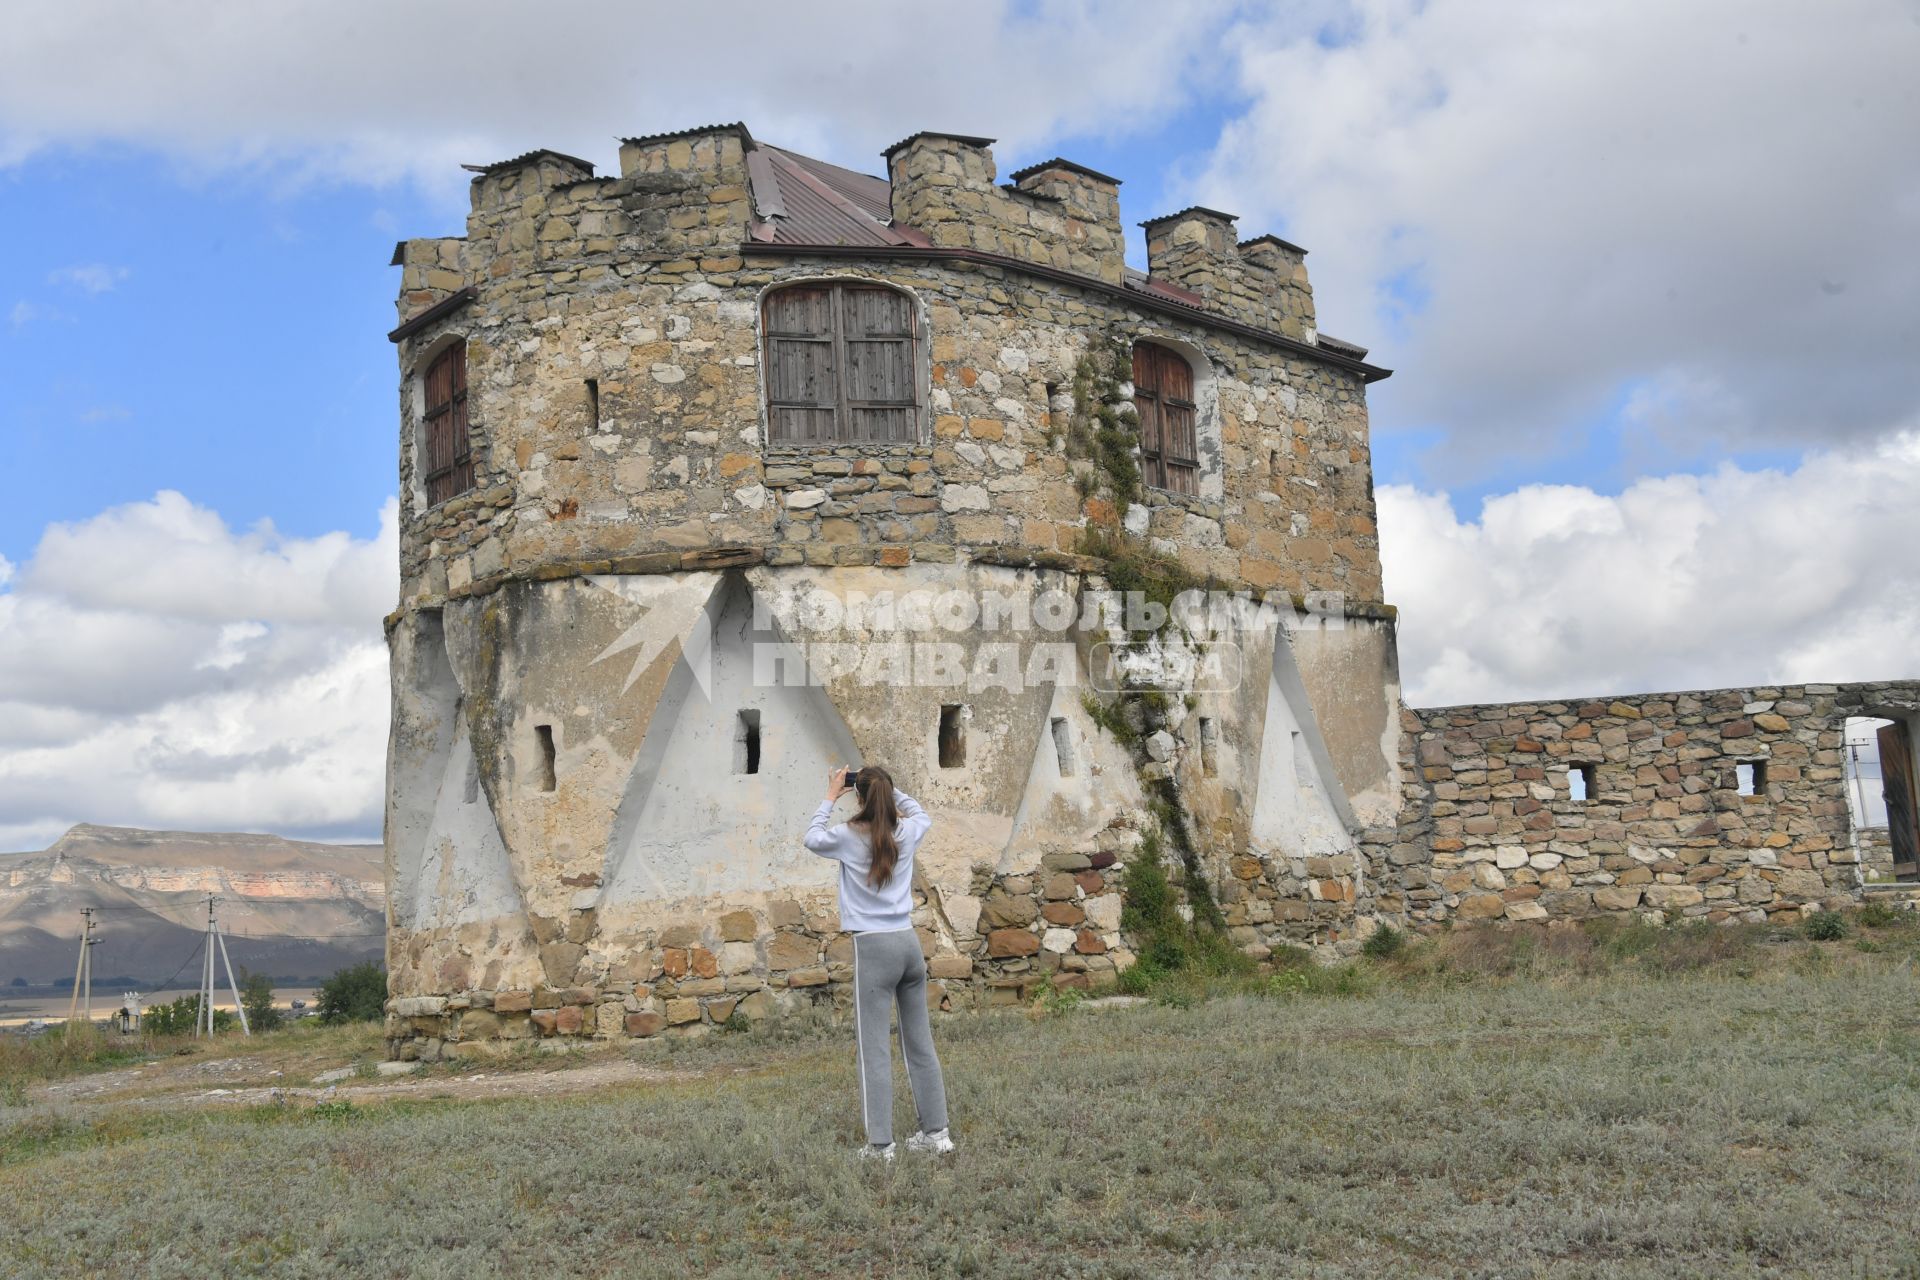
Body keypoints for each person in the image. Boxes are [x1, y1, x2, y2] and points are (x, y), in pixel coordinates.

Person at [803, 764, 953, 1161]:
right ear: (887, 793)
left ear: (858, 797)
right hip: (908, 944)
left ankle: (881, 1146)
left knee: (874, 1051)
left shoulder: (849, 836)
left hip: (873, 948)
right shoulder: (906, 830)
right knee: (920, 1043)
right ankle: (937, 1135)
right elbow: (922, 814)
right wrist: (890, 788)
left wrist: (831, 794)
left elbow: (811, 837)